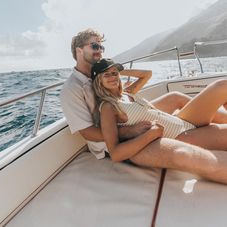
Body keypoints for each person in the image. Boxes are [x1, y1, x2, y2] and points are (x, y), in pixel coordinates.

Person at [61, 28, 227, 184]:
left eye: (101, 47)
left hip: (150, 123)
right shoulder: (73, 89)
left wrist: (114, 69)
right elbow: (88, 132)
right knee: (185, 154)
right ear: (79, 50)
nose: (100, 50)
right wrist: (132, 131)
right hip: (127, 138)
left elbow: (141, 80)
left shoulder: (108, 84)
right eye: (95, 46)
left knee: (184, 95)